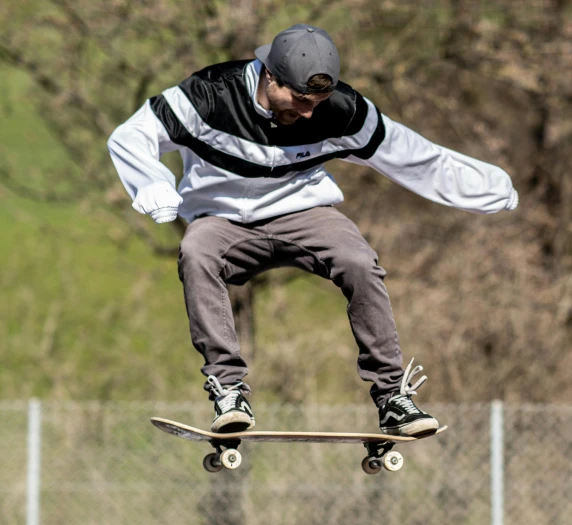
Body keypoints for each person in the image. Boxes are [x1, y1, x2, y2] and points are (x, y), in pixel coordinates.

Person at [108, 24, 518, 435]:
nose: (306, 113)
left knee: (357, 260)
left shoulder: (343, 110)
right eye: (299, 99)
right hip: (221, 217)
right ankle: (228, 389)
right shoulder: (209, 95)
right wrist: (151, 182)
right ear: (270, 75)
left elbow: (415, 157)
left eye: (316, 103)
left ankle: (393, 397)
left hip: (302, 212)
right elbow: (132, 134)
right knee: (197, 253)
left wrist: (486, 188)